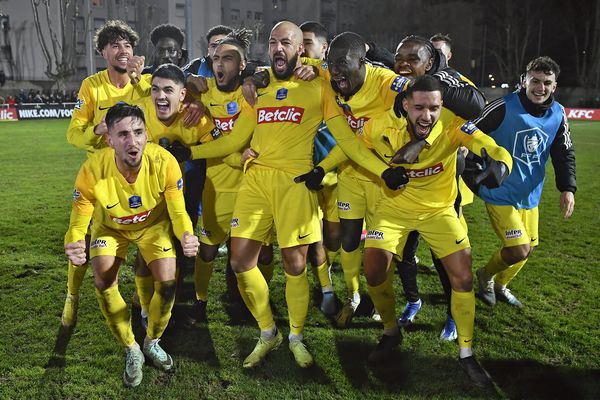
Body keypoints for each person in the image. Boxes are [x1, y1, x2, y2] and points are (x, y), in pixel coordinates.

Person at [167, 21, 408, 369]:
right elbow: (237, 138)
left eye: (287, 42)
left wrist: (382, 170)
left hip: (294, 183)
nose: (279, 48)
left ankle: (295, 335)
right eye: (273, 42)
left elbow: (347, 138)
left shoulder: (319, 85)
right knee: (239, 261)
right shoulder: (258, 86)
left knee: (296, 265)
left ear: (300, 49)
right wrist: (192, 153)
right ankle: (269, 332)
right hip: (256, 181)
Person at [362, 75, 512, 387]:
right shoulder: (380, 125)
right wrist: (379, 171)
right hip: (393, 209)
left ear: (441, 106)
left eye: (433, 108)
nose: (426, 115)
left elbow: (491, 147)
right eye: (419, 107)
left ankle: (467, 353)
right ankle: (391, 331)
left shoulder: (453, 124)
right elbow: (352, 148)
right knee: (375, 273)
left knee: (464, 277)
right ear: (406, 105)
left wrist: (501, 165)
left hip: (439, 212)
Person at [63, 103, 199, 387]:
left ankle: (151, 341)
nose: (133, 141)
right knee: (102, 280)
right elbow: (77, 224)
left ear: (147, 133)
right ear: (109, 139)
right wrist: (75, 242)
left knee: (168, 281)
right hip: (111, 229)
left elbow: (178, 212)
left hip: (153, 226)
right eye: (123, 134)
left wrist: (186, 234)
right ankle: (131, 348)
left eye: (138, 132)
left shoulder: (165, 162)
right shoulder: (92, 171)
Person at [309, 31, 411, 328]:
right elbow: (352, 143)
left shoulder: (386, 84)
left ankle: (382, 299)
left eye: (343, 63)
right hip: (352, 173)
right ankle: (354, 296)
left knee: (381, 249)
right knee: (349, 239)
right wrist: (254, 75)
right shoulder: (331, 78)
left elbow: (423, 94)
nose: (335, 70)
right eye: (331, 64)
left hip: (386, 181)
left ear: (363, 61)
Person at [391, 34, 485, 340]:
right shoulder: (394, 84)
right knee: (403, 251)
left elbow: (476, 106)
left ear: (433, 63)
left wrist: (427, 141)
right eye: (400, 58)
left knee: (442, 255)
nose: (404, 64)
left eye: (413, 59)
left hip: (443, 189)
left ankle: (452, 315)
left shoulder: (449, 84)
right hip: (403, 188)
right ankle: (413, 300)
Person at [61, 20, 152, 328]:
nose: (122, 50)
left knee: (145, 241)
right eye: (114, 45)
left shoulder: (144, 83)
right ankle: (72, 296)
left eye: (127, 45)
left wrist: (144, 84)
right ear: (103, 52)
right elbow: (73, 134)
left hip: (139, 178)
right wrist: (97, 130)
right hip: (100, 179)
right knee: (84, 241)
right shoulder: (92, 86)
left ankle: (142, 305)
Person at [183, 29, 274, 323]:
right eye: (217, 58)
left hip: (253, 186)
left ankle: (259, 297)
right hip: (217, 187)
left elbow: (276, 76)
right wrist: (187, 83)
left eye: (229, 59)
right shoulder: (204, 90)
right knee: (207, 250)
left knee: (263, 252)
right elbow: (169, 83)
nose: (221, 64)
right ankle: (200, 299)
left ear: (243, 65)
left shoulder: (253, 91)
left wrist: (258, 78)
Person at [472, 56, 576, 308]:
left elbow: (564, 152)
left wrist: (567, 188)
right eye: (535, 81)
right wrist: (473, 168)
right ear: (524, 81)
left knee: (528, 249)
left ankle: (500, 285)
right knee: (519, 248)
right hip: (500, 191)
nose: (540, 88)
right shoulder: (503, 107)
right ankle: (485, 276)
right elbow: (470, 131)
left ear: (554, 86)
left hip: (530, 194)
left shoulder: (558, 113)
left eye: (547, 83)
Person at [130, 63, 215, 323]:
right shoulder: (141, 111)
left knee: (176, 252)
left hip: (182, 198)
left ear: (183, 94)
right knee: (145, 253)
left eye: (168, 90)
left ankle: (167, 304)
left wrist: (190, 154)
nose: (160, 96)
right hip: (147, 196)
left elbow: (221, 147)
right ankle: (144, 306)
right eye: (155, 89)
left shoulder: (195, 117)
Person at [299, 20, 338, 315]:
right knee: (314, 237)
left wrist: (320, 68)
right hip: (305, 172)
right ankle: (326, 288)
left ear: (324, 48)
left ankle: (332, 277)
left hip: (338, 172)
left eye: (307, 43)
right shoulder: (288, 78)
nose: (301, 49)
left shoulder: (338, 78)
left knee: (335, 237)